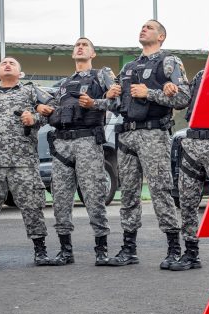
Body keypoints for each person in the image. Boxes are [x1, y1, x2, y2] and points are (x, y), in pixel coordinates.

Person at [109, 19, 190, 269]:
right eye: (142, 27)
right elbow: (118, 105)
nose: (143, 29)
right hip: (127, 135)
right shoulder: (129, 67)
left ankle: (174, 249)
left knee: (160, 190)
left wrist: (150, 93)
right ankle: (129, 249)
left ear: (161, 37)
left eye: (150, 27)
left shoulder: (170, 61)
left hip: (154, 134)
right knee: (129, 194)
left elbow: (183, 97)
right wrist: (110, 96)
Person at [46, 37, 119, 266]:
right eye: (77, 45)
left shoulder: (101, 74)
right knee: (60, 198)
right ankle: (65, 251)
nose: (80, 47)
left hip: (88, 141)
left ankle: (101, 251)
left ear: (93, 53)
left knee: (94, 195)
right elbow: (53, 110)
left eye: (85, 45)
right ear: (72, 54)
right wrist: (39, 111)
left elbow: (118, 103)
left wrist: (95, 103)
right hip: (62, 145)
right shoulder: (64, 84)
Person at [0, 57, 53, 266]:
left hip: (23, 161)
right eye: (3, 63)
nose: (7, 64)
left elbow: (53, 111)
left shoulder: (30, 92)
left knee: (32, 205)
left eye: (12, 63)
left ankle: (40, 250)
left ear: (20, 72)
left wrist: (35, 119)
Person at [169, 69, 209, 271]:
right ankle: (191, 253)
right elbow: (184, 100)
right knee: (187, 201)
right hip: (192, 140)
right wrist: (171, 89)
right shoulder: (201, 74)